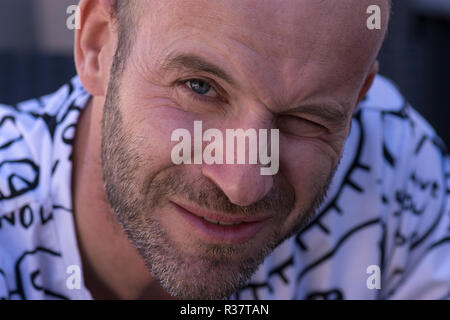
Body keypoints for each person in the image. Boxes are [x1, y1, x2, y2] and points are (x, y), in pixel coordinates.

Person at [0, 0, 448, 300]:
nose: (243, 184)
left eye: (305, 120)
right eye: (199, 88)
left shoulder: (395, 165)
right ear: (96, 45)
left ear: (357, 100)